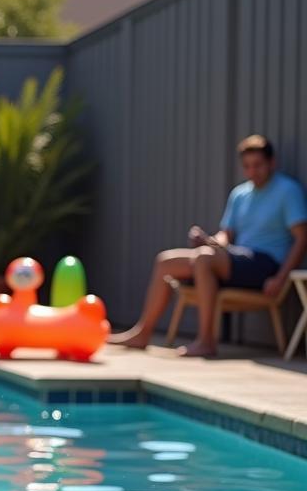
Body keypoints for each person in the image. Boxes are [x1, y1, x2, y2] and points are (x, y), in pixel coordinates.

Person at [109, 134, 307, 357]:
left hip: (266, 264)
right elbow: (226, 235)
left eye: (258, 165)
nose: (252, 171)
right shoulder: (240, 194)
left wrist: (280, 278)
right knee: (166, 261)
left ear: (272, 163)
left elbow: (301, 238)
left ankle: (206, 341)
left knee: (204, 258)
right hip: (236, 259)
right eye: (247, 166)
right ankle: (142, 333)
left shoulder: (288, 191)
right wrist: (212, 242)